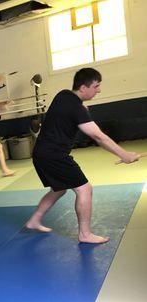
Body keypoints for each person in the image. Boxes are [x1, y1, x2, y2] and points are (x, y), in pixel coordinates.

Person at [25, 68, 139, 243]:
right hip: (54, 155)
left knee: (59, 189)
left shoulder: (63, 95)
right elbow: (98, 137)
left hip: (41, 153)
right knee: (85, 189)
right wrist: (124, 155)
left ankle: (34, 221)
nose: (98, 90)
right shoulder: (77, 109)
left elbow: (67, 110)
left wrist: (81, 108)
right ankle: (85, 234)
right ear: (83, 87)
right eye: (96, 86)